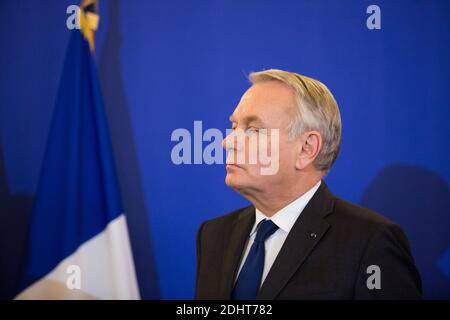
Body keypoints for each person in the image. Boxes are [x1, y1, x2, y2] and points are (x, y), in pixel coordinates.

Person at [195, 69, 422, 299]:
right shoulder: (213, 235)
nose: (227, 141)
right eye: (234, 127)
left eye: (254, 130)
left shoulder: (370, 244)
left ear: (306, 149)